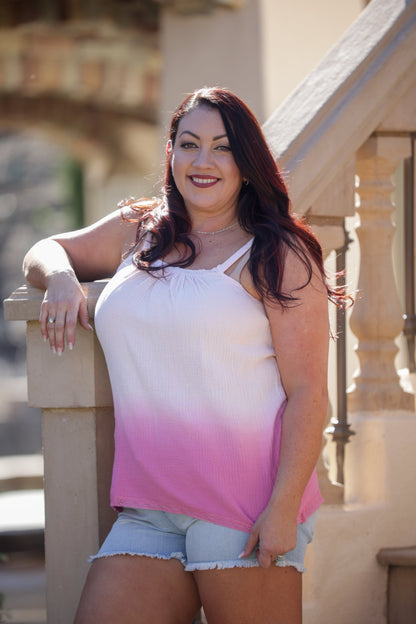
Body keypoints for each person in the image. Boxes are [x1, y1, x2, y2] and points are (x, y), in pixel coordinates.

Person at [23, 87, 345, 624]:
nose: (203, 161)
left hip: (244, 506)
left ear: (247, 160)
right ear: (170, 152)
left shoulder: (277, 253)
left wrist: (282, 509)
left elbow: (310, 395)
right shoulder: (141, 230)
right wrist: (60, 277)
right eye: (189, 144)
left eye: (222, 147)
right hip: (147, 507)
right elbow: (47, 249)